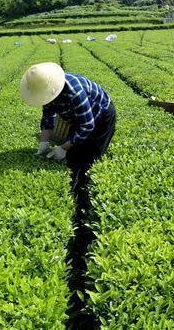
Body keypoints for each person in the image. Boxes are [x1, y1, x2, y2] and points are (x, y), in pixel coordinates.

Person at [20, 62, 116, 216]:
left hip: (101, 116)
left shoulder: (74, 92)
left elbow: (87, 125)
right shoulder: (48, 94)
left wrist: (63, 147)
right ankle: (74, 185)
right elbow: (48, 117)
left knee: (89, 158)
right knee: (74, 155)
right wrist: (43, 143)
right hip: (79, 118)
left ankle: (83, 196)